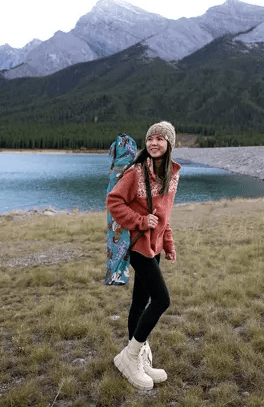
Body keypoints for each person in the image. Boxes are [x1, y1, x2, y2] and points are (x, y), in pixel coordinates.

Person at [106, 121, 181, 390]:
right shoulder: (136, 172)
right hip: (137, 244)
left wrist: (168, 244)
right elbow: (114, 201)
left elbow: (164, 215)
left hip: (155, 246)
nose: (154, 143)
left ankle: (137, 358)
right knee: (161, 300)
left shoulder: (172, 175)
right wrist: (139, 221)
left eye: (160, 139)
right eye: (150, 138)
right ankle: (130, 356)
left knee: (141, 301)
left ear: (169, 144)